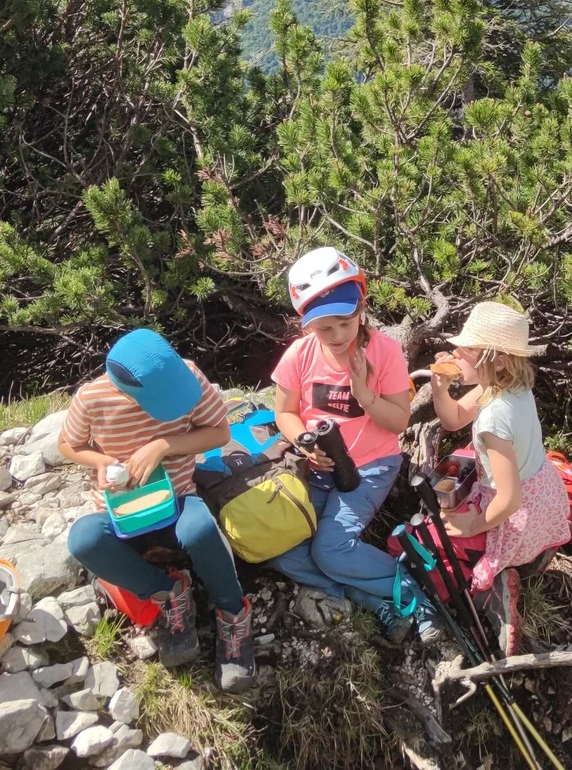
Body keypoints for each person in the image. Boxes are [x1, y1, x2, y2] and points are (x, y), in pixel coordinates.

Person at [58, 328, 257, 691]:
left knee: (199, 530)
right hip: (121, 509)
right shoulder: (92, 397)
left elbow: (219, 433)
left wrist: (163, 445)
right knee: (84, 540)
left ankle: (232, 612)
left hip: (177, 498)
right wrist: (100, 461)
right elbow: (68, 444)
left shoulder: (188, 376)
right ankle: (168, 593)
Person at [267, 247, 423, 641]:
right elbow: (284, 412)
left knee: (329, 549)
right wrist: (303, 442)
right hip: (319, 469)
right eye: (324, 328)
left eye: (345, 322)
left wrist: (364, 394)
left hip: (371, 465)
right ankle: (374, 600)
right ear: (307, 325)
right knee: (283, 549)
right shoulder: (299, 356)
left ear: (361, 307)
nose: (337, 336)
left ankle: (414, 593)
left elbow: (400, 421)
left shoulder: (384, 352)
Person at [431, 301, 572, 654]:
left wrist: (472, 524)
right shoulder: (510, 387)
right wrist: (439, 388)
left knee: (429, 540)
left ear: (494, 358)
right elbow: (454, 419)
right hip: (544, 498)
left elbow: (509, 499)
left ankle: (491, 586)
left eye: (466, 349)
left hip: (513, 515)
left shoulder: (494, 420)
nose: (456, 354)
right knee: (465, 452)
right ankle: (531, 557)